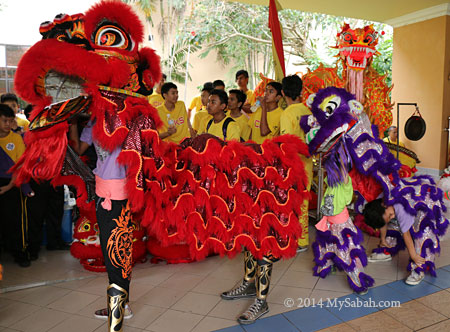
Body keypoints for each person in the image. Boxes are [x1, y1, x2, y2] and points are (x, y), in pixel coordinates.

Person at [69, 117, 134, 322]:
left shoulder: (126, 119)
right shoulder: (93, 122)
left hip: (119, 191)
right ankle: (123, 305)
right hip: (101, 190)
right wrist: (72, 124)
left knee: (117, 251)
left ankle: (119, 309)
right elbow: (79, 149)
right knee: (111, 250)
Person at [363, 190, 448, 285]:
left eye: (390, 215)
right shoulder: (380, 202)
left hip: (428, 207)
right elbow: (384, 221)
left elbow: (406, 235)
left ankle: (419, 267)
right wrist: (383, 239)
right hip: (410, 203)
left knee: (423, 235)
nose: (392, 216)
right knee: (394, 223)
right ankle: (387, 248)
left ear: (384, 205)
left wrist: (413, 256)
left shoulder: (400, 209)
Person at [312, 170, 374, 294]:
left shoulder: (345, 182)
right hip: (328, 221)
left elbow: (344, 176)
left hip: (341, 224)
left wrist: (341, 160)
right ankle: (325, 267)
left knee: (346, 251)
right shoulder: (330, 181)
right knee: (326, 246)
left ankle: (358, 280)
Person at [280, 75, 312, 253]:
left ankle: (298, 241)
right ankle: (302, 238)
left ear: (283, 92)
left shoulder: (287, 114)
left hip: (293, 165)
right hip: (306, 163)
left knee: (292, 202)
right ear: (301, 91)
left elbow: (286, 143)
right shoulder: (307, 111)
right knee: (303, 202)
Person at [0, 104, 33, 267]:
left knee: (16, 220)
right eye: (4, 120)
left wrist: (8, 186)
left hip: (12, 183)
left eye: (10, 121)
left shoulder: (16, 139)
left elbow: (20, 166)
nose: (8, 124)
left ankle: (20, 252)